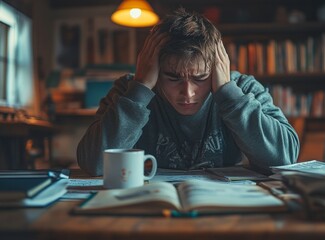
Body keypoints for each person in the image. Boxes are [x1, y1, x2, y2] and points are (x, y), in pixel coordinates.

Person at [77, 8, 300, 176]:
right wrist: (141, 89)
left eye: (200, 78)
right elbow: (94, 164)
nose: (188, 93)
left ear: (217, 68)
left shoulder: (241, 89)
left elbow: (284, 158)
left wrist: (228, 94)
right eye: (173, 77)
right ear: (153, 69)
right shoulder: (129, 91)